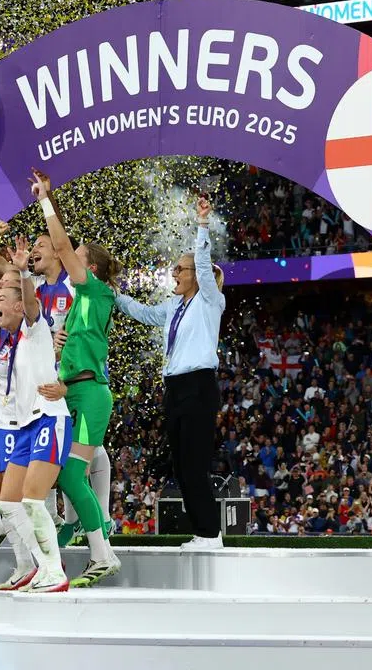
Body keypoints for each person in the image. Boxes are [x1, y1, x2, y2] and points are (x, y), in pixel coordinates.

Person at [115, 196, 226, 550]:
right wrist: (112, 295)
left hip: (198, 385)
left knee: (194, 464)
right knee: (180, 467)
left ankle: (211, 534)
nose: (174, 274)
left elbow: (205, 266)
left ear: (197, 276)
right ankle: (202, 532)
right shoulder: (174, 306)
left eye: (181, 269)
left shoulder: (210, 301)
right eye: (175, 269)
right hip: (176, 388)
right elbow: (144, 313)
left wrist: (203, 225)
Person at [29, 169, 122, 586]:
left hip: (90, 397)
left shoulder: (97, 292)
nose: (69, 262)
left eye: (77, 259)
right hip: (74, 392)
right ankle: (98, 547)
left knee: (68, 473)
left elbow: (62, 243)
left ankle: (102, 550)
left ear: (93, 269)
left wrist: (46, 200)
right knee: (64, 473)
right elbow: (66, 244)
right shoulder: (82, 299)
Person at [0, 235, 72, 592]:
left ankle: (56, 572)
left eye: (3, 301)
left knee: (31, 500)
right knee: (8, 504)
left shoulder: (35, 328)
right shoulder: (4, 339)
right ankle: (39, 566)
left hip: (49, 417)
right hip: (24, 425)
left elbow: (29, 303)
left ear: (18, 308)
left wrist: (21, 269)